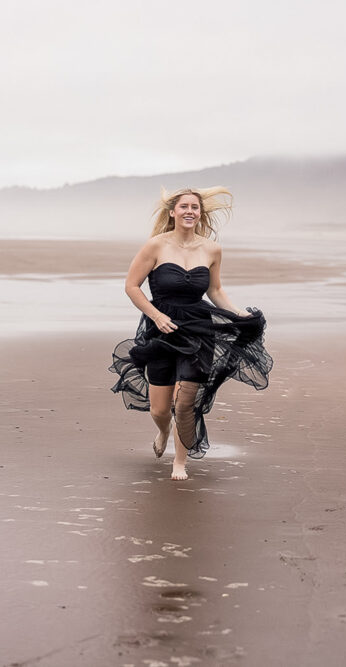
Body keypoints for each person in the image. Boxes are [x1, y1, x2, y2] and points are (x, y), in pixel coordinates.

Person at [109, 187, 273, 480]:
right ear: (172, 212)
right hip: (162, 331)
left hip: (199, 331)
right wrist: (156, 316)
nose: (189, 212)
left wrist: (239, 315)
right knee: (160, 410)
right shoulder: (155, 246)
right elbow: (132, 286)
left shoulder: (211, 249)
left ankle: (179, 462)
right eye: (183, 206)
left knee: (185, 403)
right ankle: (162, 432)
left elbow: (215, 290)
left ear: (200, 214)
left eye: (194, 208)